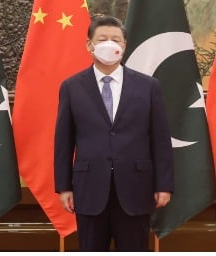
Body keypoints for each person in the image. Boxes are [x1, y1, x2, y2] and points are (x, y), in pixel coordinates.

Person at [54, 14, 174, 251]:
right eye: (102, 38)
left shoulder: (148, 86)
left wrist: (164, 184)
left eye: (116, 39)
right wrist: (64, 186)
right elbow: (63, 141)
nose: (110, 43)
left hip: (135, 188)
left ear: (124, 46)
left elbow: (160, 139)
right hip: (89, 188)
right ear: (89, 45)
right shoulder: (72, 87)